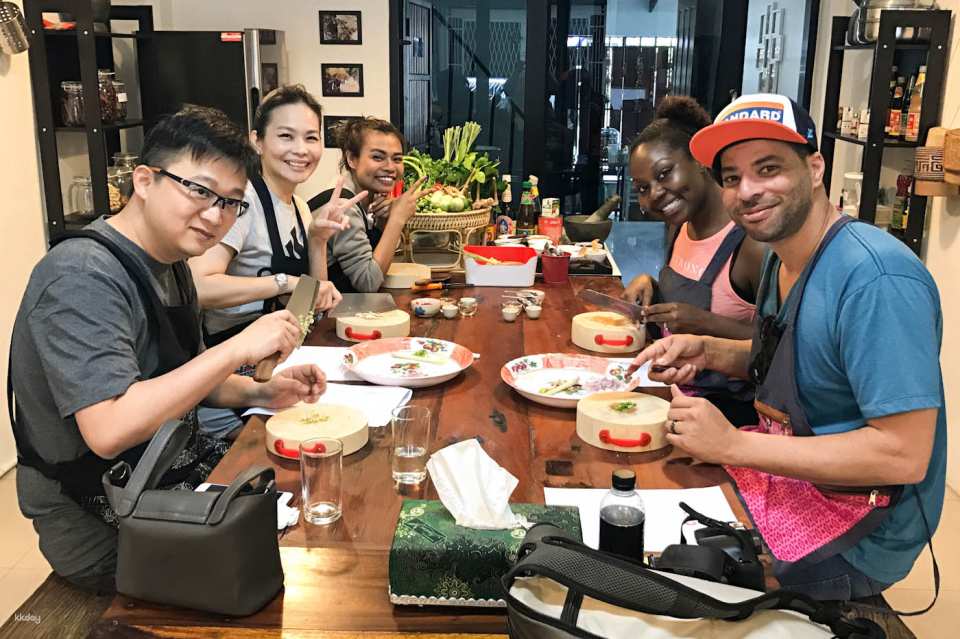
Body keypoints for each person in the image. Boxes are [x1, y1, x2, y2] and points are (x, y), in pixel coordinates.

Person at [630, 94, 946, 600]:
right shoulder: (782, 260)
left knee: (662, 587)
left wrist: (733, 446)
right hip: (788, 477)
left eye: (768, 168)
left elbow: (902, 455)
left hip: (861, 530)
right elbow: (791, 362)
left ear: (815, 168)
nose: (747, 191)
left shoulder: (876, 279)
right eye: (732, 177)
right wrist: (707, 350)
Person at [9, 106, 328, 593]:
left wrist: (263, 393)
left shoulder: (171, 262)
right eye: (199, 190)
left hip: (167, 472)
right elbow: (109, 429)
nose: (215, 215)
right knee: (292, 576)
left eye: (231, 203)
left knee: (319, 504)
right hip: (100, 515)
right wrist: (237, 347)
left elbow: (188, 378)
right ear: (144, 180)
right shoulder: (81, 275)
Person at [189, 86, 358, 438]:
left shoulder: (298, 206)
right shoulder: (244, 201)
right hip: (231, 379)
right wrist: (282, 282)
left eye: (311, 137)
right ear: (257, 141)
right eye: (285, 136)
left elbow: (307, 309)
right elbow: (199, 285)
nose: (301, 149)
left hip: (276, 362)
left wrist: (317, 241)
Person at [622, 96, 764, 427]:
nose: (655, 194)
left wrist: (705, 323)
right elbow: (685, 299)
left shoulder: (751, 243)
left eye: (664, 174)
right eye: (642, 188)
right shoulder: (680, 224)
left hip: (728, 418)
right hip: (673, 391)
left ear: (700, 161)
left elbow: (779, 350)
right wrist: (651, 287)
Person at [310, 117, 426, 294]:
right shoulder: (343, 207)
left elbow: (370, 259)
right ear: (352, 159)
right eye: (377, 157)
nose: (390, 167)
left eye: (397, 159)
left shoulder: (360, 199)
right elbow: (368, 282)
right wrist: (397, 219)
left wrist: (382, 221)